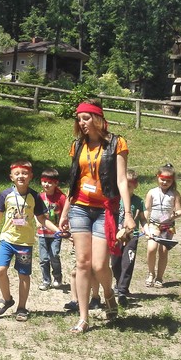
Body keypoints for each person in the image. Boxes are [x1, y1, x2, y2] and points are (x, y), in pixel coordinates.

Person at [58, 100, 135, 333]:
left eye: (86, 118)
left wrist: (128, 214)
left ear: (98, 118)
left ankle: (108, 294)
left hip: (105, 209)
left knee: (100, 264)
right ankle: (84, 317)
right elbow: (74, 181)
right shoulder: (77, 145)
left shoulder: (116, 143)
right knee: (82, 263)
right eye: (79, 119)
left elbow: (121, 180)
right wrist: (65, 212)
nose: (81, 123)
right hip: (80, 208)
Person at [0, 161, 59, 321]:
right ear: (11, 177)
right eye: (17, 173)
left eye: (24, 173)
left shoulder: (35, 196)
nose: (21, 176)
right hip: (7, 240)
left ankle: (22, 307)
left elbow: (42, 219)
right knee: (0, 270)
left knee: (23, 275)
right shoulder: (6, 194)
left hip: (24, 244)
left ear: (30, 176)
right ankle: (7, 299)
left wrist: (57, 230)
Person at [144, 164, 181, 288]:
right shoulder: (152, 192)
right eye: (162, 179)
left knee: (163, 251)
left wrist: (175, 215)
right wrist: (144, 224)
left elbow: (179, 210)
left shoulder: (175, 194)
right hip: (154, 225)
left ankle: (159, 277)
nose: (165, 182)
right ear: (157, 177)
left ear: (172, 181)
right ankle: (151, 273)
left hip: (167, 227)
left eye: (168, 180)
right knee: (151, 249)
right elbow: (146, 209)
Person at [111, 168, 144, 304]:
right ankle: (119, 283)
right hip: (116, 236)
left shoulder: (138, 201)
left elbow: (143, 219)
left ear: (135, 186)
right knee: (115, 263)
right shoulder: (115, 200)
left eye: (129, 186)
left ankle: (122, 291)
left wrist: (146, 228)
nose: (125, 189)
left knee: (128, 262)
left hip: (132, 235)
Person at [37, 168, 67, 291]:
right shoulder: (39, 197)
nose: (46, 185)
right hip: (42, 233)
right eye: (44, 181)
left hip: (56, 233)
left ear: (56, 183)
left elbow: (66, 212)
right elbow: (36, 212)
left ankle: (57, 277)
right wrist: (37, 221)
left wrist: (65, 225)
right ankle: (46, 280)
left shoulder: (61, 197)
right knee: (44, 258)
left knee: (54, 255)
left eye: (49, 182)